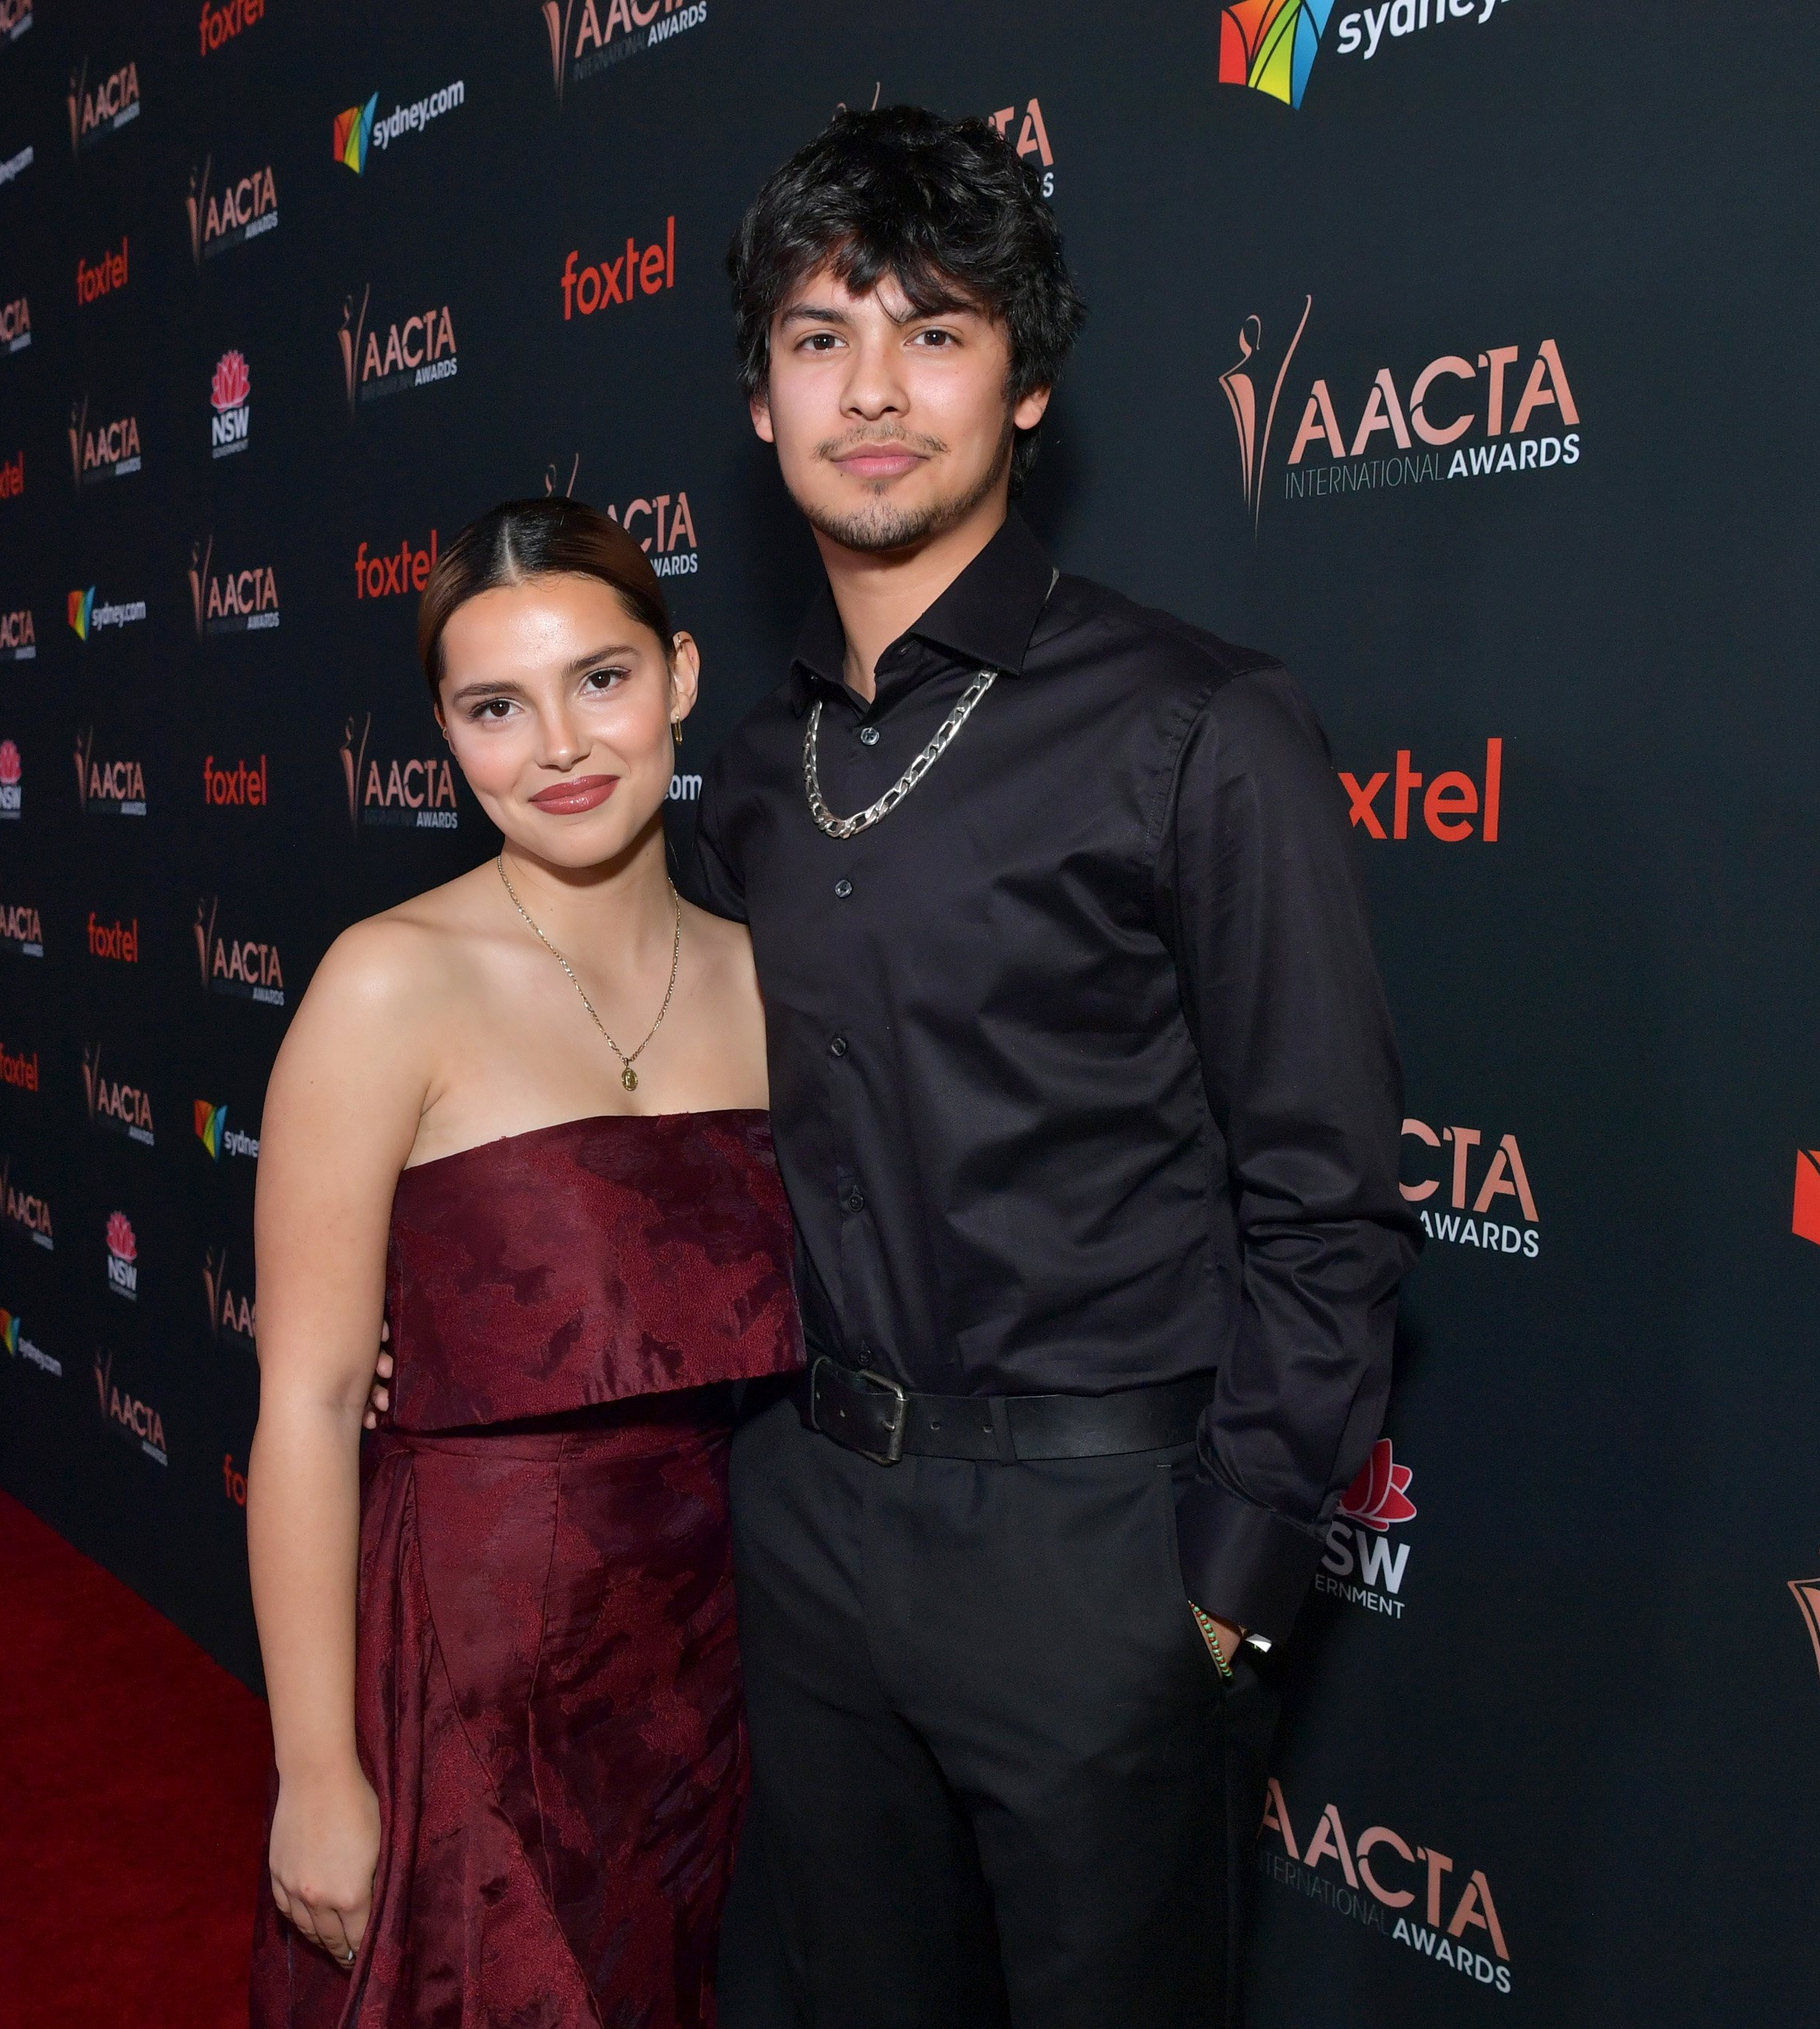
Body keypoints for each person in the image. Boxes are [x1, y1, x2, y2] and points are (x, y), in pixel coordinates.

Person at [692, 107, 1421, 2027]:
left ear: (1024, 384)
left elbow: (1327, 1194)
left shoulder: (1193, 723)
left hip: (1095, 1554)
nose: (872, 387)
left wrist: (1216, 1586)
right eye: (819, 333)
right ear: (757, 398)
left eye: (935, 332)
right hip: (809, 1516)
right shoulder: (754, 774)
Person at [245, 497, 799, 2029]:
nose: (558, 742)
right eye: (496, 705)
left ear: (679, 675)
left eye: (600, 680)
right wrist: (315, 1770)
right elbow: (301, 1403)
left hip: (722, 1676)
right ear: (445, 734)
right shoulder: (387, 983)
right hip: (471, 1677)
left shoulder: (767, 979)